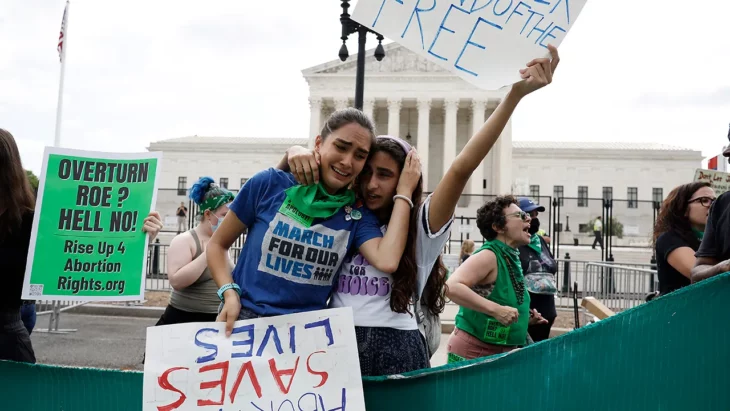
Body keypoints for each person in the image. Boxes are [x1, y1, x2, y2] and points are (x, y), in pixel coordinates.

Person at [281, 45, 561, 375]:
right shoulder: (342, 218)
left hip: (396, 347)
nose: (371, 185)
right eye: (366, 172)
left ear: (405, 180)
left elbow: (460, 169)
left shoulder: (420, 229)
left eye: (385, 175)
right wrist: (293, 153)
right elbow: (280, 207)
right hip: (336, 344)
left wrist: (513, 96)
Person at [207, 108, 418, 334]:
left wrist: (404, 192)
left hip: (306, 335)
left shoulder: (356, 214)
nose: (347, 161)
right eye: (341, 147)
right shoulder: (269, 184)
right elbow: (217, 245)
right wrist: (229, 293)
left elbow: (387, 260)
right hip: (244, 321)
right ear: (319, 142)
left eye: (360, 155)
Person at [446, 196, 548, 363]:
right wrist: (497, 310)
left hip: (498, 351)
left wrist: (524, 319)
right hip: (475, 351)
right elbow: (451, 287)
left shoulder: (509, 254)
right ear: (498, 227)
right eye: (520, 215)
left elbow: (500, 298)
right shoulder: (489, 255)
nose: (529, 218)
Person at [156, 177, 235, 327]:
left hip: (216, 320)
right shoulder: (185, 240)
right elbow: (176, 281)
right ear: (208, 215)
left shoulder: (225, 240)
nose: (229, 220)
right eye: (225, 215)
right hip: (183, 319)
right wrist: (210, 251)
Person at [653, 182, 715, 295]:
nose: (712, 205)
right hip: (679, 310)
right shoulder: (669, 238)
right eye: (704, 200)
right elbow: (700, 273)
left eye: (714, 201)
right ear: (684, 208)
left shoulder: (712, 237)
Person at [517, 198, 557, 342]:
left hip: (547, 313)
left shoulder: (539, 241)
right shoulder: (516, 244)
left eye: (535, 215)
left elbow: (551, 265)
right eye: (529, 214)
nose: (533, 219)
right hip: (528, 317)